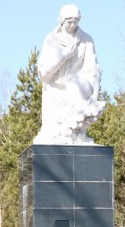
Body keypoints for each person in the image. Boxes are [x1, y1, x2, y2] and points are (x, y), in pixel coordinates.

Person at [35, 4, 105, 144]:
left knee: (77, 136)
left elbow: (93, 71)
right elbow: (43, 74)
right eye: (69, 21)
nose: (72, 25)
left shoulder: (86, 40)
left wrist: (94, 97)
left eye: (75, 21)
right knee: (52, 138)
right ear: (61, 20)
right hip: (54, 94)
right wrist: (63, 56)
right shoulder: (51, 40)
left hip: (76, 95)